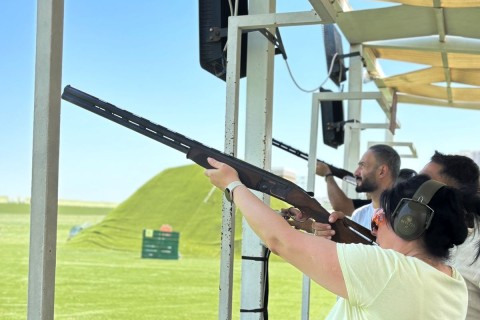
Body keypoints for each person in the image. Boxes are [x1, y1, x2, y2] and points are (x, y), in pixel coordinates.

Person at [205, 157, 469, 319]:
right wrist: (335, 235)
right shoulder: (453, 283)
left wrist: (233, 185)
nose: (374, 229)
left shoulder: (389, 272)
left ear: (408, 223)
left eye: (379, 219)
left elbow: (280, 240)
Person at [421, 151, 480, 320]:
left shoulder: (475, 248)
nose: (415, 189)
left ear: (454, 193)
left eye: (425, 183)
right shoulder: (418, 239)